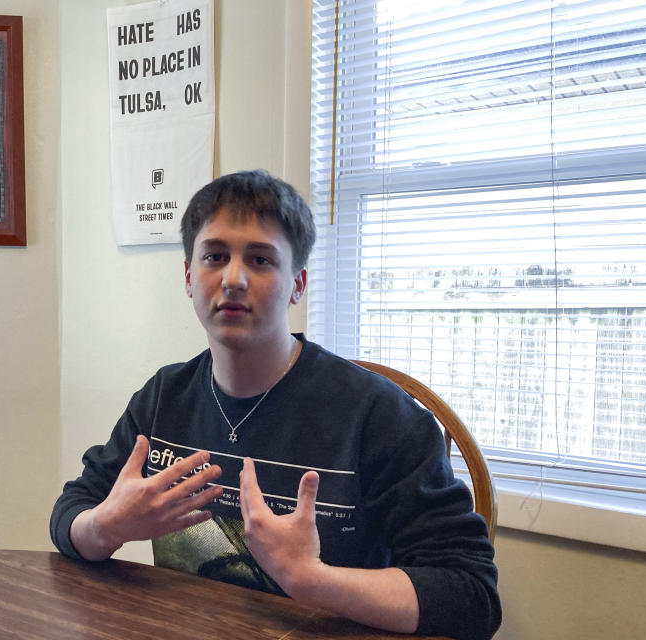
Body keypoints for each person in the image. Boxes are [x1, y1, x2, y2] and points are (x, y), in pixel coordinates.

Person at [50, 170, 500, 640]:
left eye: (261, 260)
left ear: (297, 284)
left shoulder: (379, 415)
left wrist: (311, 578)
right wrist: (105, 527)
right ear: (188, 276)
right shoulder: (165, 396)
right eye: (215, 256)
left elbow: (471, 597)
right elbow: (73, 509)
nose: (234, 278)